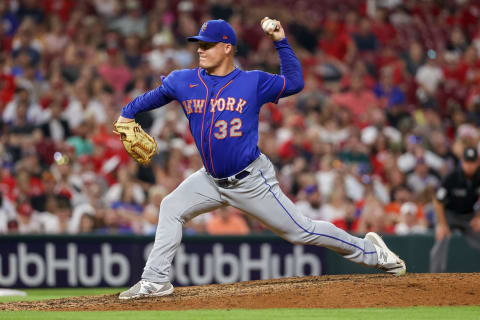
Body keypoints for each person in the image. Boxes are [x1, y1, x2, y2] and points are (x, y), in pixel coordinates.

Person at [116, 18, 406, 300]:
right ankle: (155, 280)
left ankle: (372, 252)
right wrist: (126, 114)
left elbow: (294, 82)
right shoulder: (184, 80)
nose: (200, 50)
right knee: (170, 206)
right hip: (210, 178)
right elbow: (152, 97)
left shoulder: (252, 81)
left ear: (227, 47)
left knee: (301, 231)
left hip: (251, 180)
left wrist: (280, 40)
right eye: (198, 45)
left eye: (208, 44)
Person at [430, 147, 480, 272]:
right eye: (467, 162)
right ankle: (435, 277)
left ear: (477, 162)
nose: (469, 165)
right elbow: (437, 202)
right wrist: (442, 224)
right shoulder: (451, 177)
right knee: (441, 238)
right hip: (449, 215)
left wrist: (478, 217)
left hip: (469, 216)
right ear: (462, 162)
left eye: (472, 162)